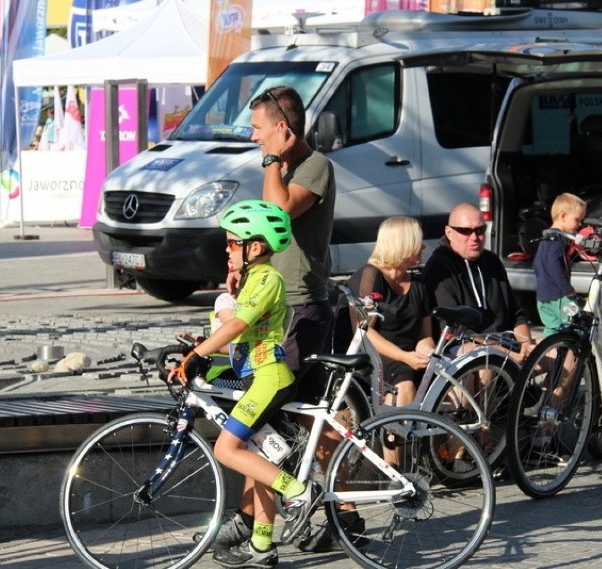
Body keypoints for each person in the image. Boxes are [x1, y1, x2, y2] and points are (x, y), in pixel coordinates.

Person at [220, 85, 338, 553]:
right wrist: (240, 269)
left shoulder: (314, 167)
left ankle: (258, 525)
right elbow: (261, 235)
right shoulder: (287, 167)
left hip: (298, 308)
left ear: (282, 128)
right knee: (296, 422)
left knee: (260, 423)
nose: (254, 139)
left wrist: (272, 163)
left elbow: (277, 214)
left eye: (259, 129)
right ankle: (281, 522)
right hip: (278, 305)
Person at [172, 200, 320, 569]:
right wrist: (235, 286)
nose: (227, 248)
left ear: (255, 247)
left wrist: (194, 356)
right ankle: (262, 546)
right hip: (255, 376)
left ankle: (300, 492)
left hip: (268, 377)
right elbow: (238, 319)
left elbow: (236, 327)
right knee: (258, 460)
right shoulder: (256, 277)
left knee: (226, 450)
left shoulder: (269, 278)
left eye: (232, 242)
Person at [346, 217, 435, 465]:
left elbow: (425, 334)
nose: (423, 247)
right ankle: (393, 468)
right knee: (404, 383)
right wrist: (405, 356)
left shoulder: (418, 285)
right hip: (376, 354)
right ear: (403, 244)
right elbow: (363, 331)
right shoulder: (370, 277)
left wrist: (427, 352)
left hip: (407, 356)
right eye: (418, 242)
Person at [421, 202, 536, 361]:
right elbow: (455, 329)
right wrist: (503, 353)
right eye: (465, 231)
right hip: (464, 346)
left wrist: (526, 344)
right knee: (485, 359)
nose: (474, 237)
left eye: (480, 230)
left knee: (564, 353)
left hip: (504, 343)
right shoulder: (439, 268)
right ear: (449, 232)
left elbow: (516, 313)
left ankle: (546, 387)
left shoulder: (491, 261)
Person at [533, 193, 586, 336]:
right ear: (562, 216)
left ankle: (548, 356)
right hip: (560, 297)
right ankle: (570, 357)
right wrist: (566, 288)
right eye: (577, 219)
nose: (580, 224)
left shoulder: (546, 238)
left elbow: (537, 265)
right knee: (574, 327)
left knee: (552, 330)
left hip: (543, 298)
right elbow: (553, 264)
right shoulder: (558, 240)